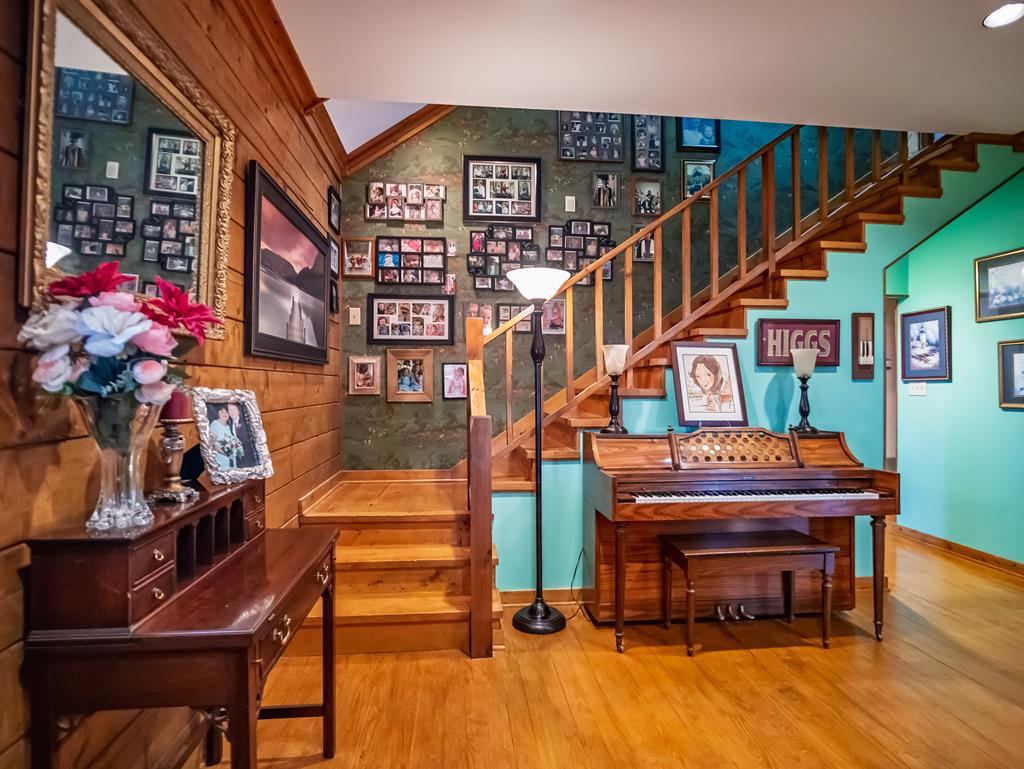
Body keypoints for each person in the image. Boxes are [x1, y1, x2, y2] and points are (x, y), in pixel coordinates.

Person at [209, 405, 243, 470]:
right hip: (221, 462)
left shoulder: (229, 426)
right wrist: (227, 453)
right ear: (218, 413)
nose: (224, 414)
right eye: (222, 412)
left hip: (233, 462)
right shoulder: (215, 424)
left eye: (226, 412)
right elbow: (211, 444)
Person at [227, 402, 253, 467]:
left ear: (238, 411)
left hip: (249, 458)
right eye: (229, 410)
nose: (232, 411)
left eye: (234, 409)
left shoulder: (246, 423)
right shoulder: (229, 426)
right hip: (238, 460)